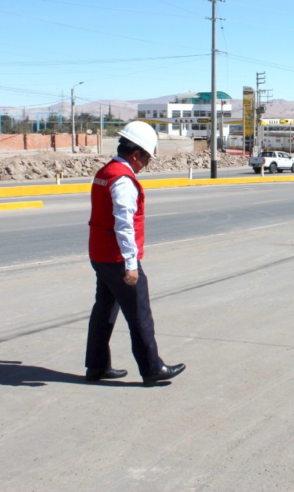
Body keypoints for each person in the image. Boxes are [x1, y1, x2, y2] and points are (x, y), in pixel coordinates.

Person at [85, 121, 185, 387]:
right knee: (139, 313)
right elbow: (124, 224)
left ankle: (96, 366)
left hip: (100, 254)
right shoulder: (123, 180)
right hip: (118, 258)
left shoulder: (105, 171)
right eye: (147, 158)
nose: (146, 165)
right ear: (136, 153)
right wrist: (131, 264)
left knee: (104, 310)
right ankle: (152, 368)